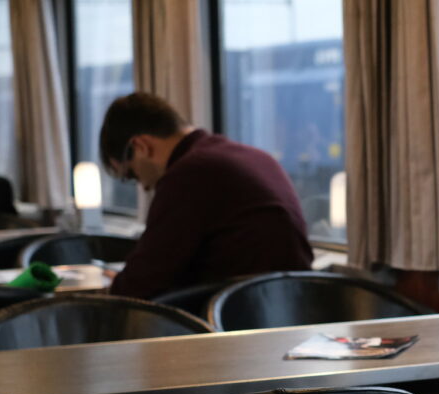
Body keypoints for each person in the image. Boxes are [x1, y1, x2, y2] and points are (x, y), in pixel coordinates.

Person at [99, 92, 314, 299]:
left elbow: (142, 282)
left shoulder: (188, 174)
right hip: (296, 302)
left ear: (141, 146)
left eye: (131, 174)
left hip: (239, 315)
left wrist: (116, 286)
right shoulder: (255, 157)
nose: (144, 187)